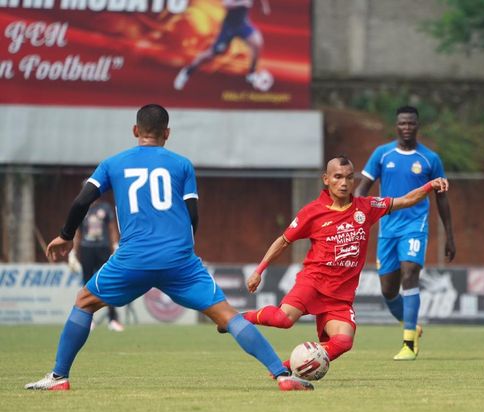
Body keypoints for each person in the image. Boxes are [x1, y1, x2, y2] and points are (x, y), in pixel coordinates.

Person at [25, 104, 312, 391]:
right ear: (167, 133)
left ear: (136, 131)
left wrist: (65, 235)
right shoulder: (181, 164)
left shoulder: (113, 163)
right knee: (228, 315)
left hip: (133, 258)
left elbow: (81, 201)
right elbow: (193, 214)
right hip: (179, 260)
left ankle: (59, 377)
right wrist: (184, 252)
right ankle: (282, 375)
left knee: (84, 302)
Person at [242, 156, 449, 370]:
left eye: (349, 178)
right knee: (282, 320)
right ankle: (241, 318)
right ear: (326, 179)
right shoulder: (312, 212)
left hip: (340, 296)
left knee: (343, 342)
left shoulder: (366, 207)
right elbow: (283, 241)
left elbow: (405, 200)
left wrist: (430, 185)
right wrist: (259, 271)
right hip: (313, 282)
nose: (344, 183)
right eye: (338, 177)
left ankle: (287, 367)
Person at [354, 106, 456, 361]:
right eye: (403, 123)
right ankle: (412, 324)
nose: (407, 128)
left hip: (415, 226)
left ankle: (409, 343)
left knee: (410, 274)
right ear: (396, 126)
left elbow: (442, 200)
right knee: (388, 290)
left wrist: (449, 235)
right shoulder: (382, 154)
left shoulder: (430, 159)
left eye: (411, 123)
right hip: (387, 228)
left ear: (417, 126)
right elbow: (360, 190)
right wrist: (355, 217)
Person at [173, 0, 273, 92]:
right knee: (213, 53)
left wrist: (265, 6)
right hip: (229, 27)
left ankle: (251, 74)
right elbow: (226, 4)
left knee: (257, 42)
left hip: (242, 24)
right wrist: (242, 3)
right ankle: (187, 72)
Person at [68, 192, 124, 332]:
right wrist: (73, 252)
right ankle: (88, 320)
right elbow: (78, 232)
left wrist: (116, 245)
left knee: (109, 283)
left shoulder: (105, 208)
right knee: (87, 284)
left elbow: (112, 228)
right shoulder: (83, 208)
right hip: (87, 249)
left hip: (103, 248)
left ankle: (113, 319)